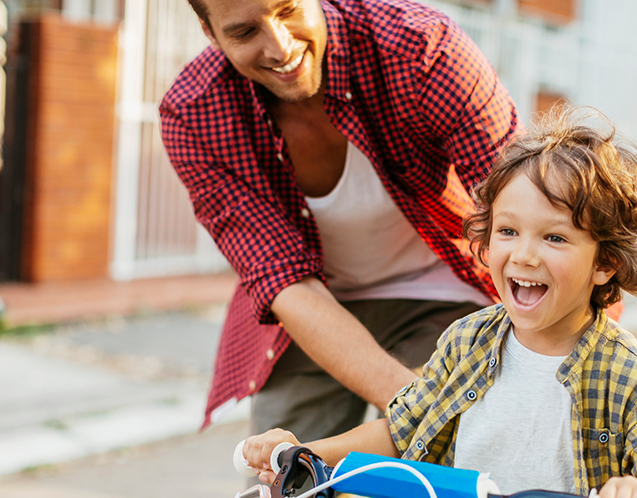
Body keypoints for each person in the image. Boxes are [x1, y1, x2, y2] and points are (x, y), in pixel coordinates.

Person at [159, 0, 519, 439]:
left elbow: (518, 207)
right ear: (209, 32)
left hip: (449, 293)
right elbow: (281, 281)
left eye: (288, 10)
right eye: (245, 32)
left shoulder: (421, 48)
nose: (279, 47)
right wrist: (420, 409)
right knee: (285, 474)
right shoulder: (194, 113)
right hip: (315, 311)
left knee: (452, 458)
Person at [240, 106, 637, 497]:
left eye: (554, 238)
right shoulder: (467, 341)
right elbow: (401, 429)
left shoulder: (627, 373)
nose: (524, 255)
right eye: (508, 231)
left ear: (604, 263)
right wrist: (304, 453)